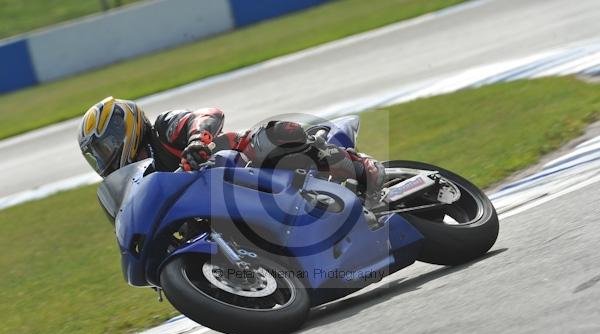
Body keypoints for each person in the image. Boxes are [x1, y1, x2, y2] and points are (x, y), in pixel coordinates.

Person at [77, 97, 385, 196]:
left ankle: (355, 164)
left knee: (268, 135)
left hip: (244, 165)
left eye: (106, 147)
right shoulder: (139, 182)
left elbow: (209, 115)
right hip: (223, 204)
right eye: (98, 156)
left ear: (123, 129)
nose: (105, 157)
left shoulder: (161, 128)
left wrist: (197, 141)